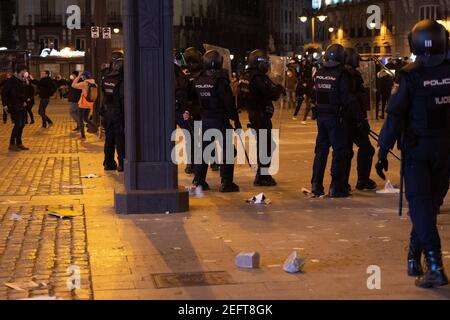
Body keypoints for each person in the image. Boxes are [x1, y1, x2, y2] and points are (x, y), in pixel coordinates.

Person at [376, 20, 450, 288]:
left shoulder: (409, 74)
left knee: (421, 208)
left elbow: (395, 116)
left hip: (418, 152)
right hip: (445, 151)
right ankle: (412, 257)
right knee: (428, 208)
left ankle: (434, 266)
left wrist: (383, 149)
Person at [311, 44, 357, 198]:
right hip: (336, 118)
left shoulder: (319, 73)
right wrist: (358, 119)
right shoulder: (342, 74)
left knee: (321, 152)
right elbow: (347, 99)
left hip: (321, 118)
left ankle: (316, 185)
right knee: (340, 152)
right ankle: (335, 187)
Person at [192, 50, 241, 192]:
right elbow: (228, 102)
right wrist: (236, 120)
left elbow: (194, 100)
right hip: (220, 120)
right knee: (227, 151)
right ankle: (226, 183)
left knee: (204, 152)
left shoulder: (198, 79)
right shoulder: (220, 80)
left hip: (205, 120)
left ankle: (199, 180)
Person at [239, 49, 285, 187]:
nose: (267, 65)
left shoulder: (245, 75)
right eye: (265, 62)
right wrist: (279, 89)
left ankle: (262, 172)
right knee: (267, 145)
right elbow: (271, 93)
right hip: (260, 115)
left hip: (253, 113)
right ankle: (262, 175)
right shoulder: (257, 77)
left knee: (265, 144)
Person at [344, 48, 377, 191]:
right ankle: (362, 180)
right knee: (366, 149)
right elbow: (353, 99)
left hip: (344, 119)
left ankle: (342, 183)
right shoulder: (351, 75)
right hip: (353, 119)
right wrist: (361, 120)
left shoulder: (342, 74)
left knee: (346, 151)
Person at [101, 50, 125, 172]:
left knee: (109, 138)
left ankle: (108, 162)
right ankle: (122, 163)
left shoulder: (106, 78)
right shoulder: (122, 80)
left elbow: (104, 95)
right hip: (118, 113)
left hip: (107, 112)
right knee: (120, 138)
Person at [174, 50, 195, 175]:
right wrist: (186, 109)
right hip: (180, 110)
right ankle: (191, 164)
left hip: (170, 109)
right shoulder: (178, 73)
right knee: (190, 135)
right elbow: (181, 91)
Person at [1, 65, 30, 151]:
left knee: (22, 125)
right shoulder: (12, 80)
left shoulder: (22, 80)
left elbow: (23, 92)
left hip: (21, 105)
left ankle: (19, 143)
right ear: (21, 71)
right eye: (25, 71)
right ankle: (12, 144)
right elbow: (4, 92)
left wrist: (25, 100)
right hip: (14, 105)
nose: (26, 73)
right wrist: (5, 104)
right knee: (18, 125)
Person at [72, 71, 98, 140]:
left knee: (81, 120)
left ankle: (83, 136)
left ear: (84, 77)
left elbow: (73, 85)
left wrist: (78, 76)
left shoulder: (84, 84)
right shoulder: (94, 84)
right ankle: (95, 127)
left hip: (83, 104)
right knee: (86, 119)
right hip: (90, 104)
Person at [293, 59, 314, 124]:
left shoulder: (309, 69)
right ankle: (295, 115)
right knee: (299, 104)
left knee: (308, 106)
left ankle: (304, 118)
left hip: (307, 91)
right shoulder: (301, 68)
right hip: (302, 91)